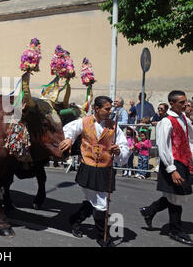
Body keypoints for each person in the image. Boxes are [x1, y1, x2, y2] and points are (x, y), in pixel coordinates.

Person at [59, 96, 130, 247]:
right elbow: (68, 130)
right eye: (107, 108)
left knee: (95, 201)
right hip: (88, 167)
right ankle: (102, 237)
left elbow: (124, 146)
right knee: (101, 203)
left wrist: (118, 151)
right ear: (97, 109)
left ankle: (75, 220)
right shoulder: (84, 122)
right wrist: (69, 139)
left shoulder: (113, 126)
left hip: (105, 169)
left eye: (111, 108)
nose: (110, 111)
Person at [139, 90, 192, 246]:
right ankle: (175, 230)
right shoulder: (166, 121)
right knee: (177, 197)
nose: (186, 104)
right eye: (182, 102)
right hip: (173, 162)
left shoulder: (183, 118)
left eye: (186, 101)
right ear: (172, 103)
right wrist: (171, 168)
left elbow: (188, 138)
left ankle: (149, 211)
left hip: (184, 161)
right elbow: (162, 147)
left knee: (176, 195)